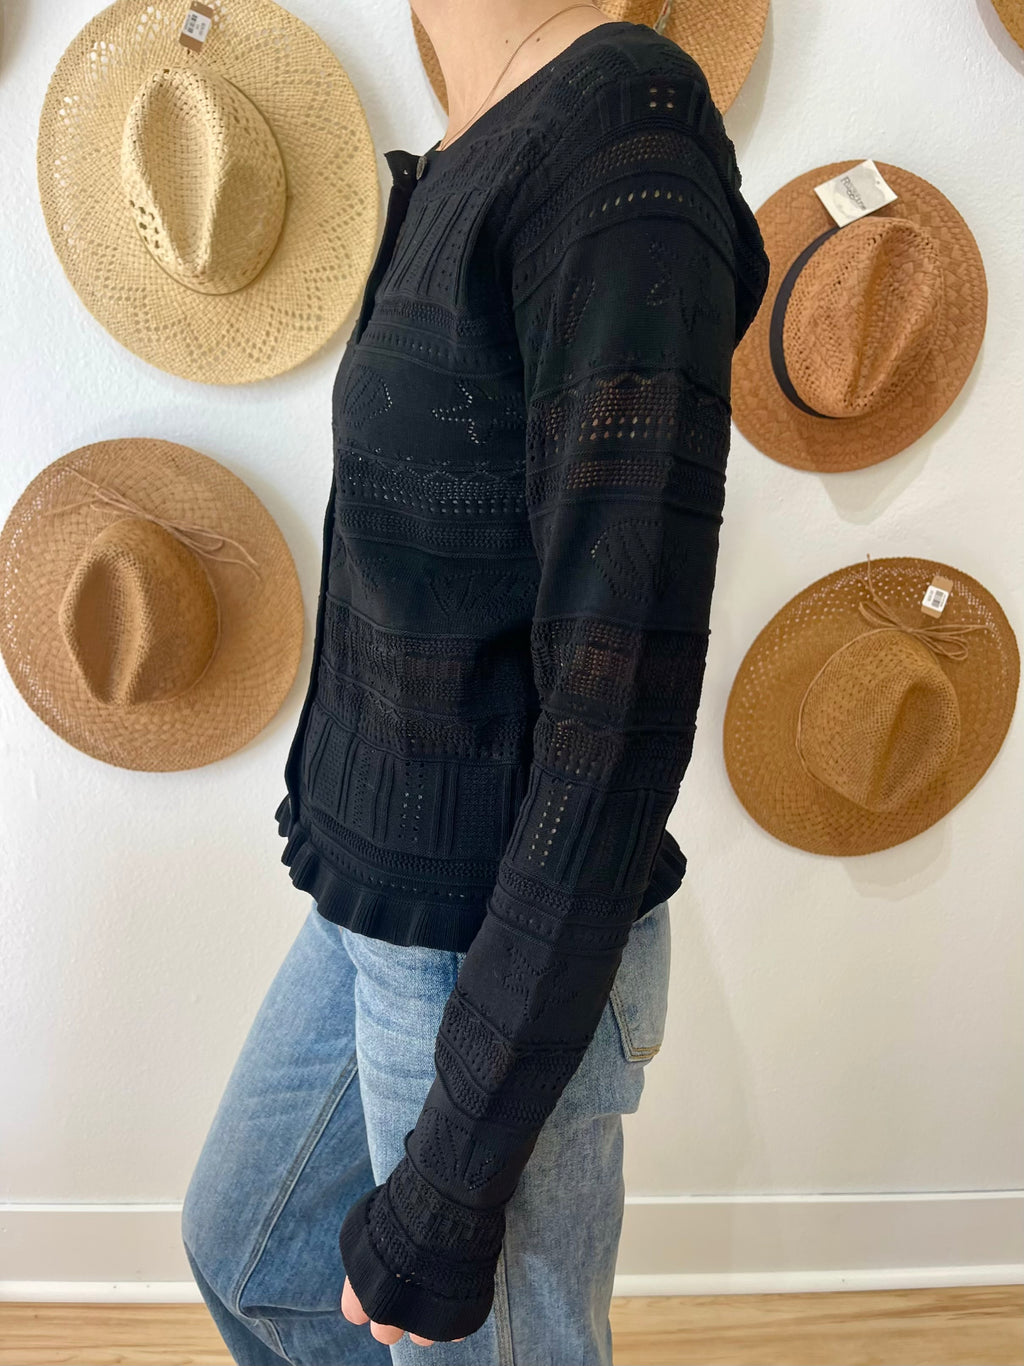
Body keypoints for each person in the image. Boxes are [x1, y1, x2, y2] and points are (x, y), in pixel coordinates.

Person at [180, 4, 770, 1364]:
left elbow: (618, 708)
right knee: (253, 1254)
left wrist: (454, 1185)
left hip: (494, 938)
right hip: (379, 902)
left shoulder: (622, 131)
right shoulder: (470, 144)